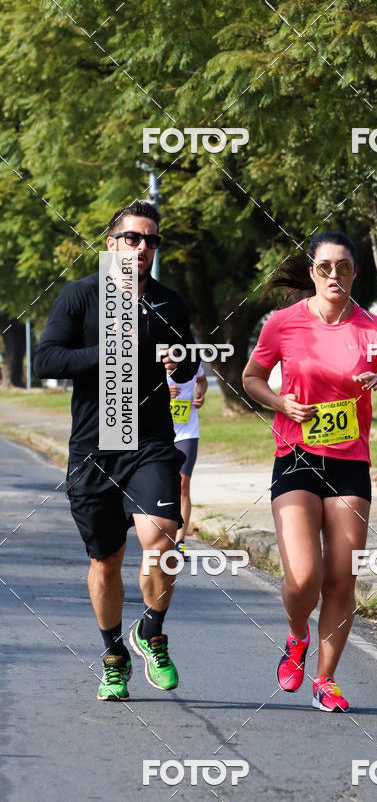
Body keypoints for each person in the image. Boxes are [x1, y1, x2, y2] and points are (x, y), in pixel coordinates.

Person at [242, 231, 377, 712]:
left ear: (355, 272)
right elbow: (250, 378)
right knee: (304, 576)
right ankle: (296, 637)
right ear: (313, 272)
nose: (334, 275)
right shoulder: (283, 324)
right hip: (295, 456)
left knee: (342, 578)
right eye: (324, 267)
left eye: (343, 266)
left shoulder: (376, 332)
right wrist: (282, 404)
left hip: (349, 465)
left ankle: (326, 678)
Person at [34, 200, 199, 701]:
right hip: (95, 447)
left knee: (162, 538)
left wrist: (181, 361)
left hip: (149, 442)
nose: (143, 247)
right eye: (133, 238)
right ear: (111, 243)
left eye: (151, 240)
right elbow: (47, 358)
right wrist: (109, 351)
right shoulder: (80, 296)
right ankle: (112, 655)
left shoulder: (169, 303)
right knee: (106, 561)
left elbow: (190, 364)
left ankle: (152, 629)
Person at [168, 364, 208, 554]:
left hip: (187, 432)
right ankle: (159, 534)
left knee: (183, 484)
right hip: (159, 432)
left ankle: (179, 541)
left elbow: (201, 381)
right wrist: (160, 392)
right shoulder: (152, 356)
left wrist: (200, 394)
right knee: (161, 484)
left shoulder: (192, 360)